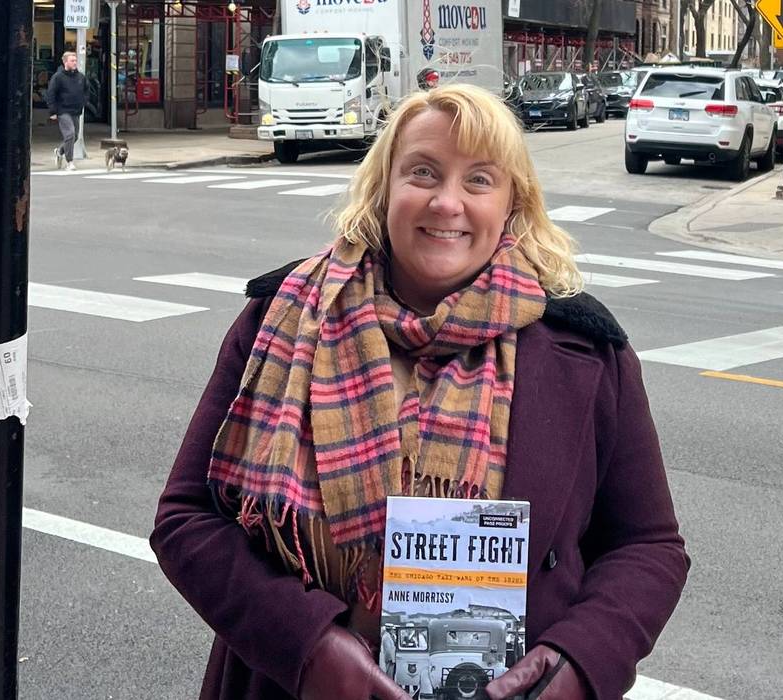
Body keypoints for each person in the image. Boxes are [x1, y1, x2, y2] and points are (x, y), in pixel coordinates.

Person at [151, 83, 689, 700]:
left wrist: (580, 663)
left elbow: (648, 546)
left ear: (512, 205)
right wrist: (309, 646)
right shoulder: (283, 320)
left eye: (479, 180)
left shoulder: (586, 349)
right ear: (384, 190)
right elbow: (185, 518)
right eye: (423, 172)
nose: (447, 202)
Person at [45, 51, 85, 171]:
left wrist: (83, 102)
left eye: (75, 60)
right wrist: (52, 111)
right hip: (63, 110)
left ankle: (60, 151)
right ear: (65, 62)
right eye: (72, 60)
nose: (74, 63)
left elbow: (86, 90)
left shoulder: (80, 77)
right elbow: (51, 93)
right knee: (70, 134)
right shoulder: (58, 77)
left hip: (76, 110)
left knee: (76, 136)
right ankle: (70, 161)